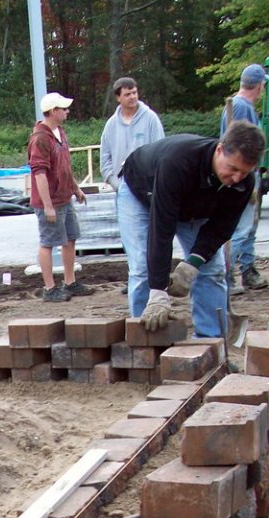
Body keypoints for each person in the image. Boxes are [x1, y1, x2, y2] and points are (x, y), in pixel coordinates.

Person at [117, 121, 266, 336]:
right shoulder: (178, 162)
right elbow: (162, 229)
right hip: (141, 192)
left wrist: (193, 263)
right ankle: (145, 347)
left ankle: (210, 345)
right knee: (142, 267)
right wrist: (159, 291)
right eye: (232, 168)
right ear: (220, 149)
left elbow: (221, 228)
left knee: (212, 269)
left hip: (193, 206)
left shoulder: (243, 182)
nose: (236, 179)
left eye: (244, 172)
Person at [27, 92, 94, 303]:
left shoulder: (60, 133)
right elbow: (39, 174)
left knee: (70, 238)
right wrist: (47, 206)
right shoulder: (40, 139)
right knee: (48, 242)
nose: (67, 111)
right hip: (50, 202)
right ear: (54, 111)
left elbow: (64, 166)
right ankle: (49, 288)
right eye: (63, 109)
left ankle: (69, 281)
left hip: (64, 198)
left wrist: (75, 188)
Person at [220, 63, 268, 294]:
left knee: (249, 228)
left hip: (250, 174)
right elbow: (237, 147)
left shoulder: (243, 106)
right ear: (260, 86)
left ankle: (248, 271)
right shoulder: (239, 107)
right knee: (240, 228)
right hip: (242, 176)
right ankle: (226, 277)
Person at [100, 77, 164, 193]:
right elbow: (105, 159)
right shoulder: (111, 125)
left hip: (149, 187)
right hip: (123, 187)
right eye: (127, 94)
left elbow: (161, 151)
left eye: (134, 92)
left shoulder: (150, 118)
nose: (133, 97)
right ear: (118, 97)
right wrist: (116, 184)